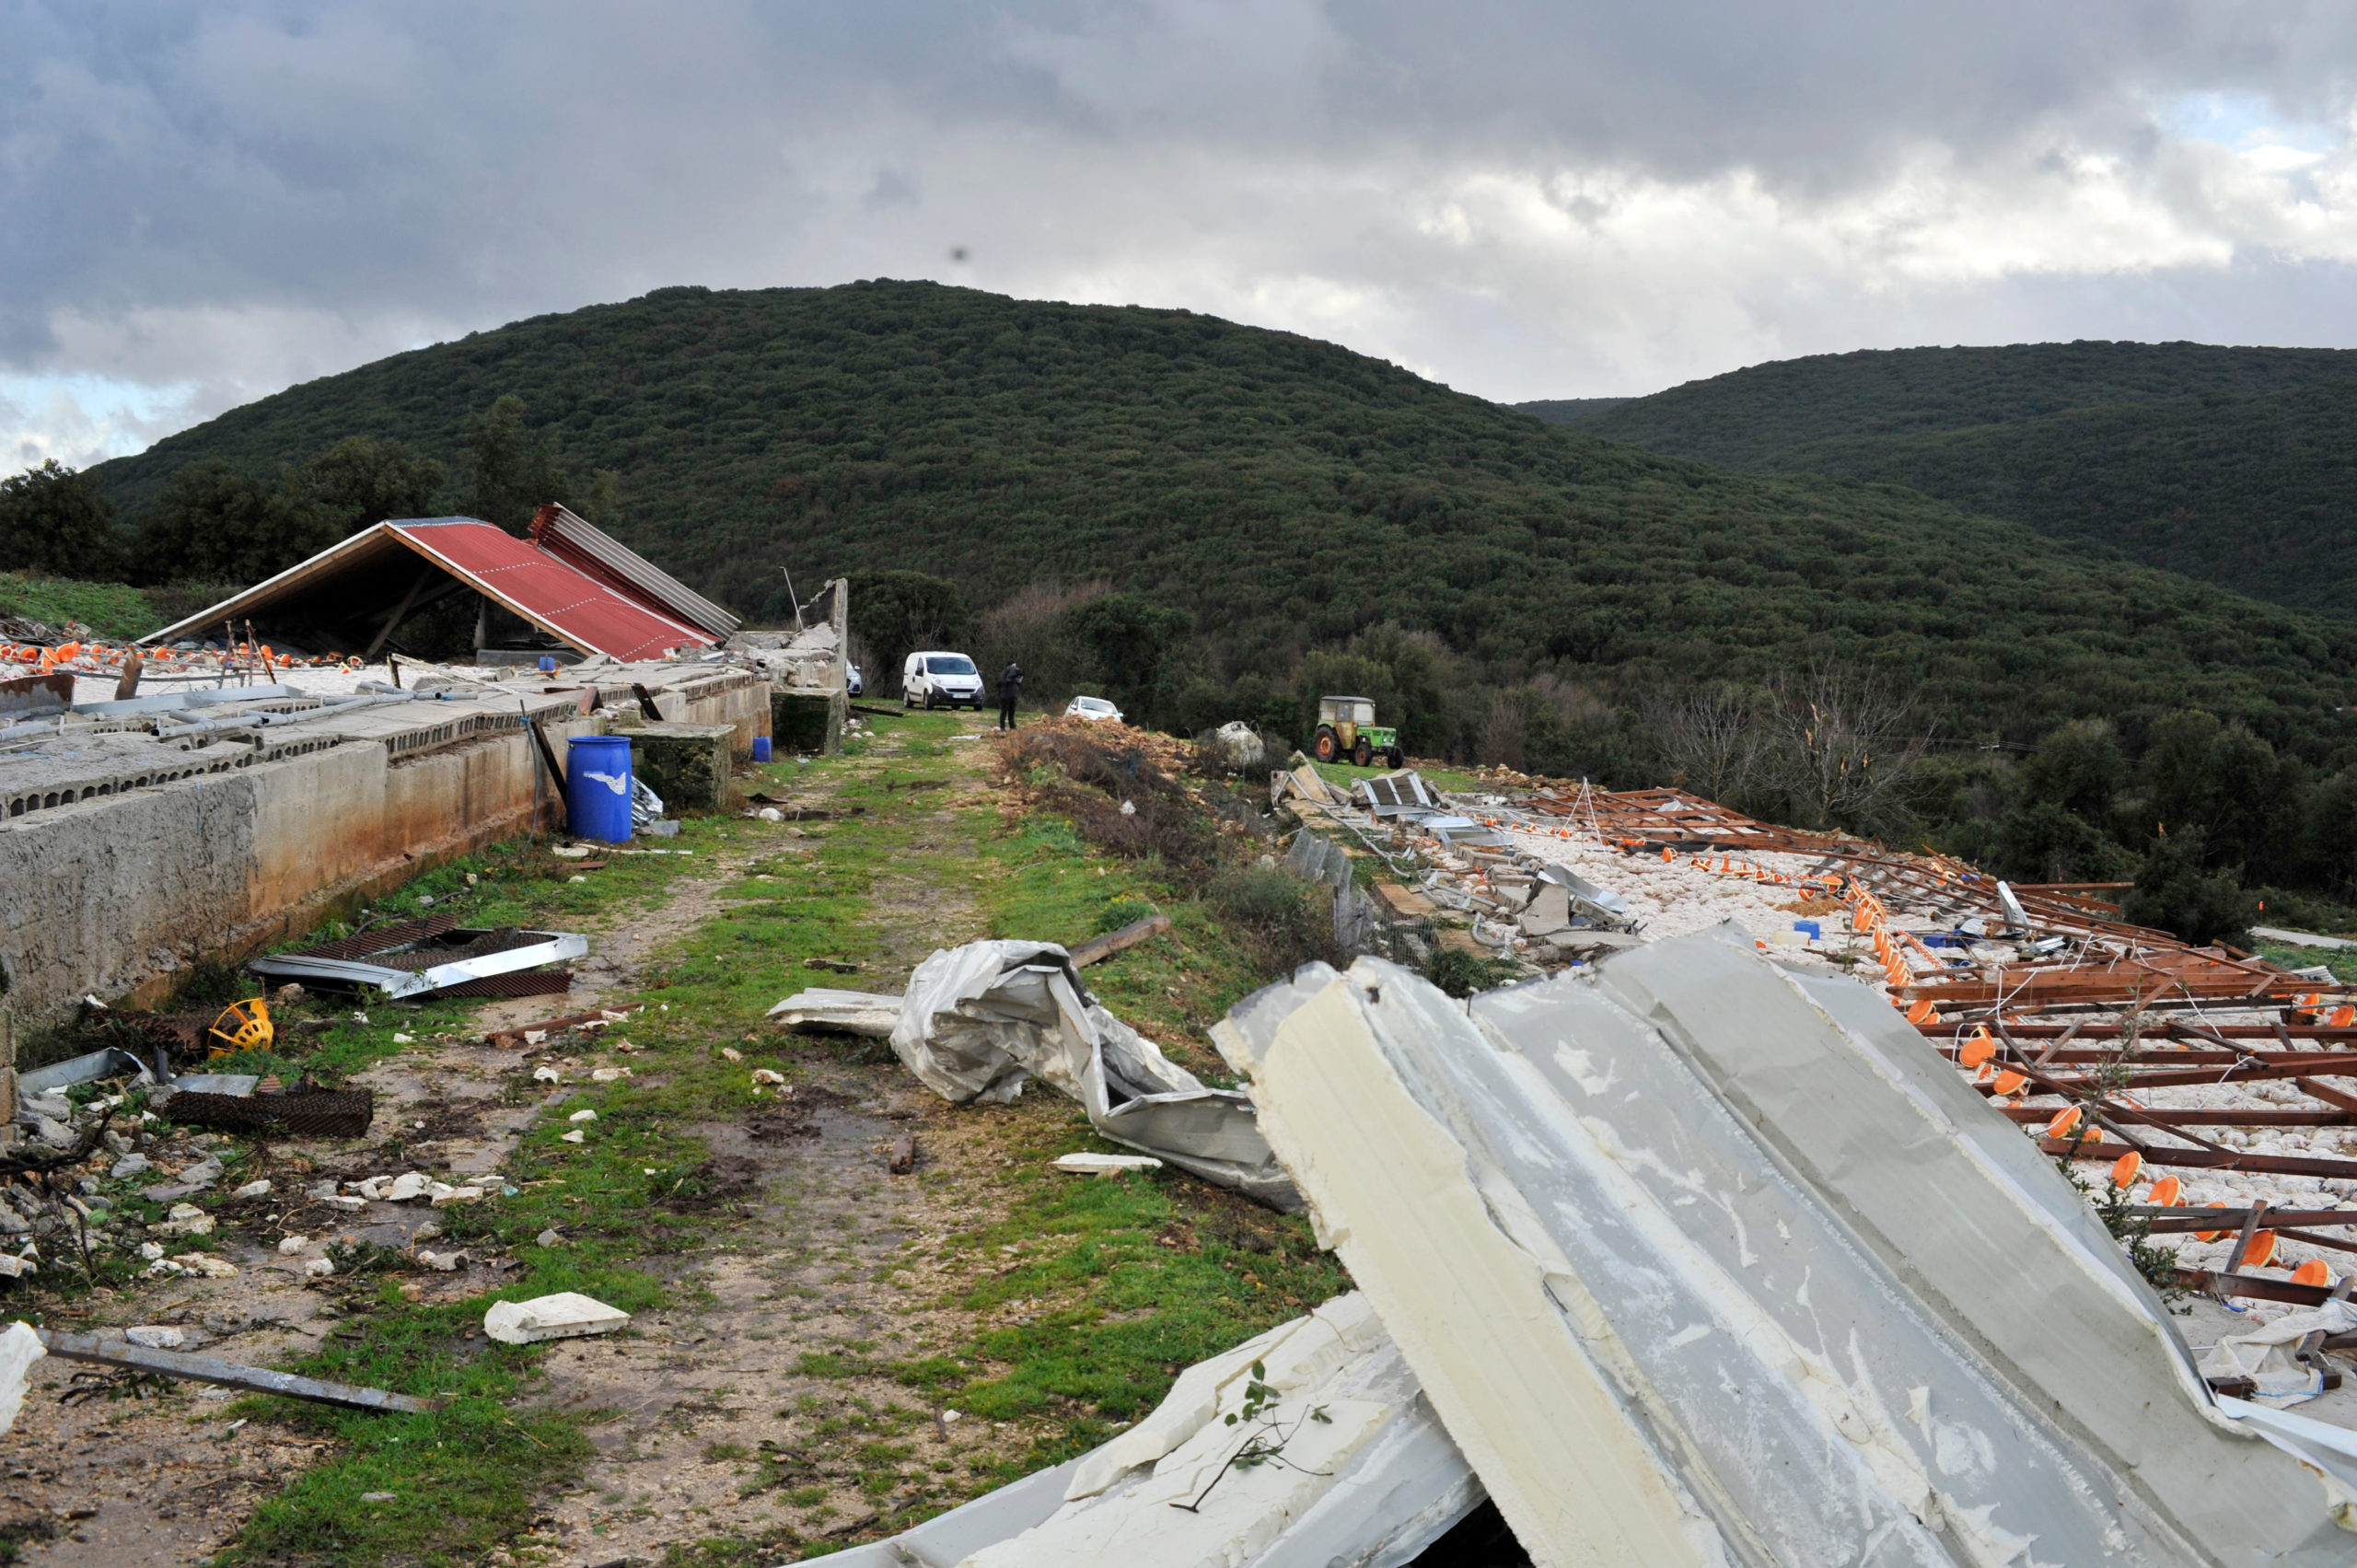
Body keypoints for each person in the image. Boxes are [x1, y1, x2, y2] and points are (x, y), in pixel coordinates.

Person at [996, 660, 1024, 730]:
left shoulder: (1010, 673)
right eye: (1014, 666)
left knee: (1009, 712)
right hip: (1007, 695)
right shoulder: (1007, 672)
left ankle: (1010, 726)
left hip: (1010, 695)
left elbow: (1018, 681)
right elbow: (1005, 682)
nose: (1015, 668)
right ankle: (1005, 727)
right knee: (1006, 712)